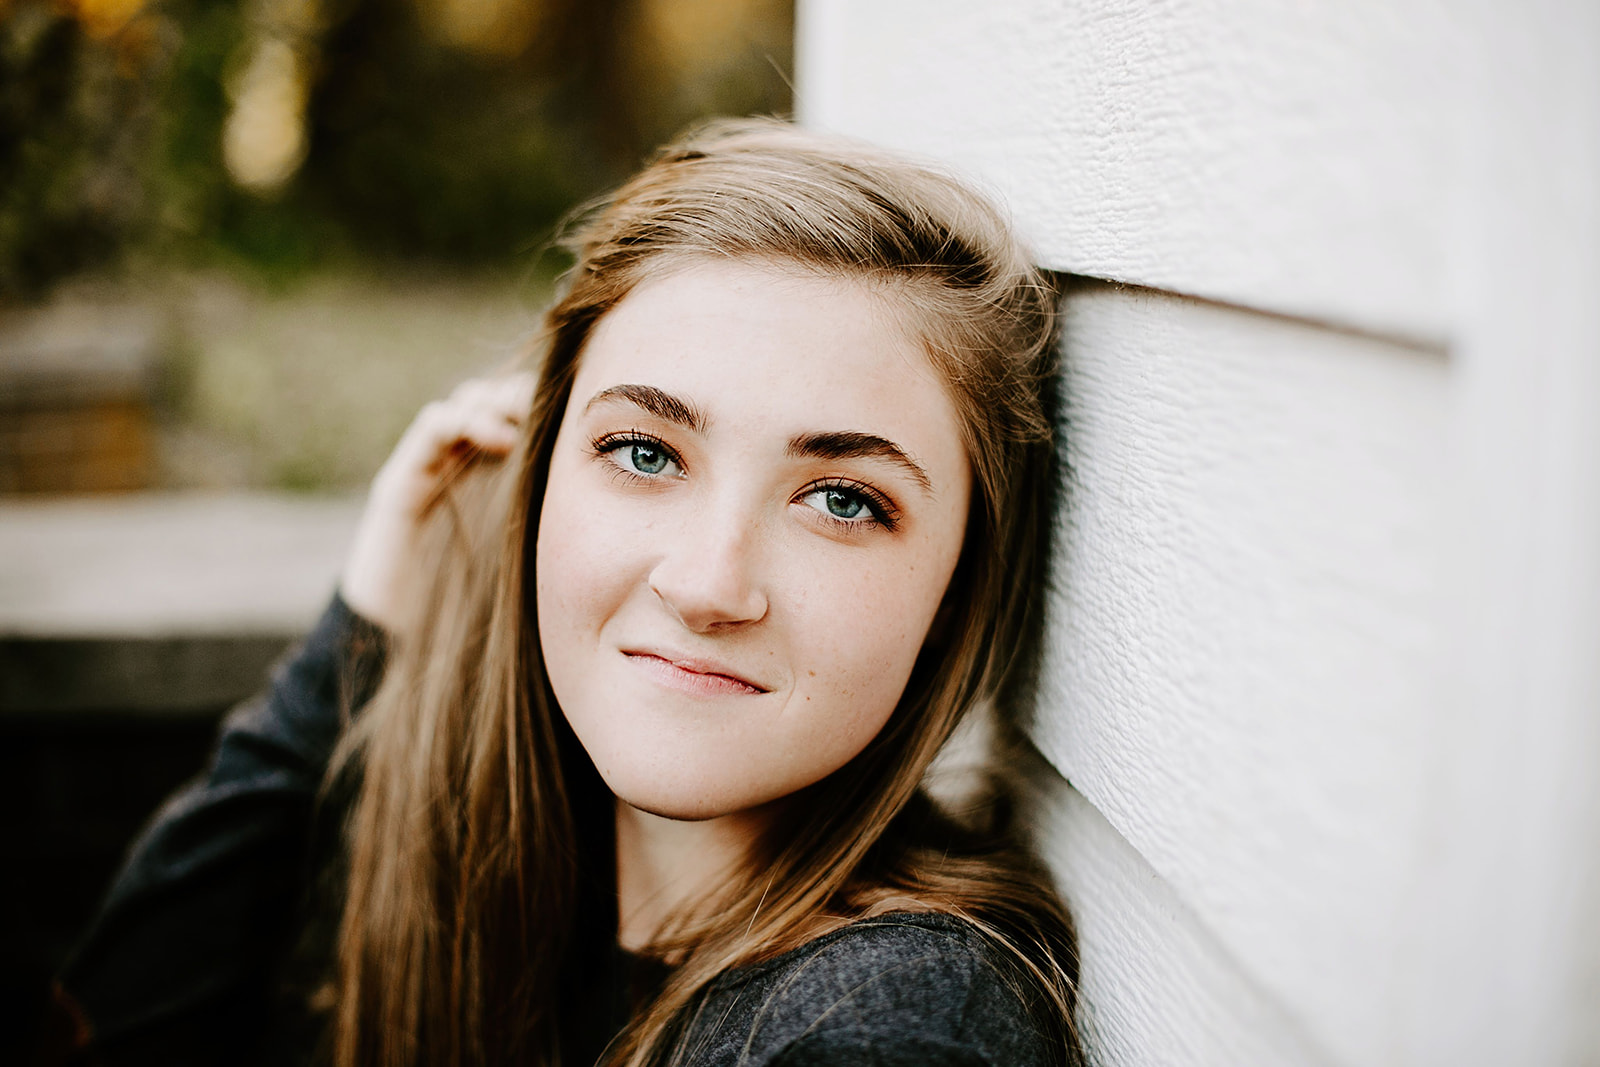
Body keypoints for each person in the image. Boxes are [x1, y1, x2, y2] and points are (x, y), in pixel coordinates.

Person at [53, 119, 1082, 1066]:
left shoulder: (887, 1024)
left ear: (955, 586)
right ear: (539, 475)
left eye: (844, 501)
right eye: (644, 451)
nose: (707, 583)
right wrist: (363, 627)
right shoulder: (512, 899)